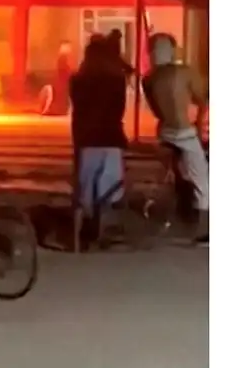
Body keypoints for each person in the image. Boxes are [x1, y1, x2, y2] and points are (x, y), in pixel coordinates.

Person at [142, 32, 209, 247]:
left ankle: (177, 213)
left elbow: (156, 110)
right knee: (203, 182)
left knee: (176, 173)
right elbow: (202, 99)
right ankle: (205, 230)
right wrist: (198, 125)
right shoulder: (184, 72)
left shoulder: (149, 78)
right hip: (185, 133)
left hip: (165, 133)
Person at [69, 39, 130, 248]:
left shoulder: (77, 80)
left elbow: (78, 112)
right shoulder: (117, 80)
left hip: (87, 139)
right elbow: (119, 109)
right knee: (108, 187)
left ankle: (79, 237)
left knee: (85, 187)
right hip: (110, 138)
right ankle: (101, 231)